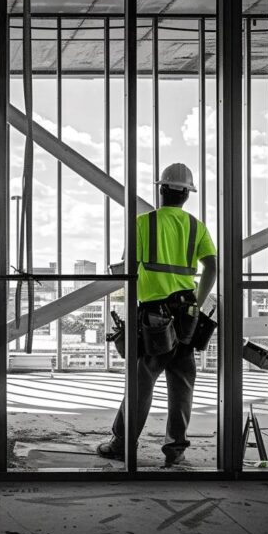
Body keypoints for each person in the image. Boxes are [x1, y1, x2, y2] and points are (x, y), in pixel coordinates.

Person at [97, 162, 218, 467]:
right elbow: (212, 268)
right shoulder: (196, 226)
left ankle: (122, 444)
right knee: (182, 385)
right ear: (186, 195)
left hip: (154, 318)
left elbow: (126, 270)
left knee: (141, 382)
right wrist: (197, 303)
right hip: (187, 316)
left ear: (162, 190)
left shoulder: (143, 223)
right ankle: (175, 449)